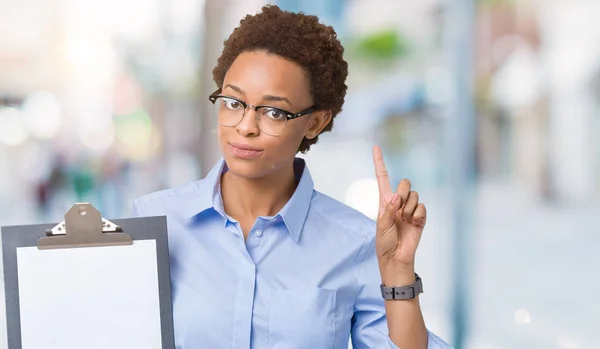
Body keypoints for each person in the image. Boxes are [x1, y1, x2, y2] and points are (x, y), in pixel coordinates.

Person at [132, 5, 452, 349]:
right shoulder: (154, 222)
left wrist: (398, 269)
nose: (245, 127)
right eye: (233, 103)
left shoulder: (357, 243)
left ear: (315, 122)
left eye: (273, 112)